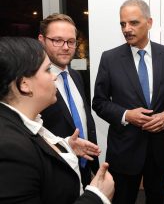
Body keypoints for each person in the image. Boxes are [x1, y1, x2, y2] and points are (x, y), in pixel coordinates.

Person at [92, 0, 164, 204]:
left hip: (159, 150)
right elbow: (99, 102)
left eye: (133, 23)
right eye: (122, 24)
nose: (127, 29)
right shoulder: (110, 58)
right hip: (124, 151)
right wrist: (126, 115)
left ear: (149, 22)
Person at [0, 37, 114, 203]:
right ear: (24, 84)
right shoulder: (9, 148)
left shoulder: (24, 123)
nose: (54, 77)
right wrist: (97, 196)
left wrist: (65, 146)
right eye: (47, 70)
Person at [38, 13, 99, 187]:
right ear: (42, 40)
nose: (66, 47)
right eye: (57, 40)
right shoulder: (34, 82)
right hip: (55, 172)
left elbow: (84, 118)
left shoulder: (75, 75)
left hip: (85, 166)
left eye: (71, 41)